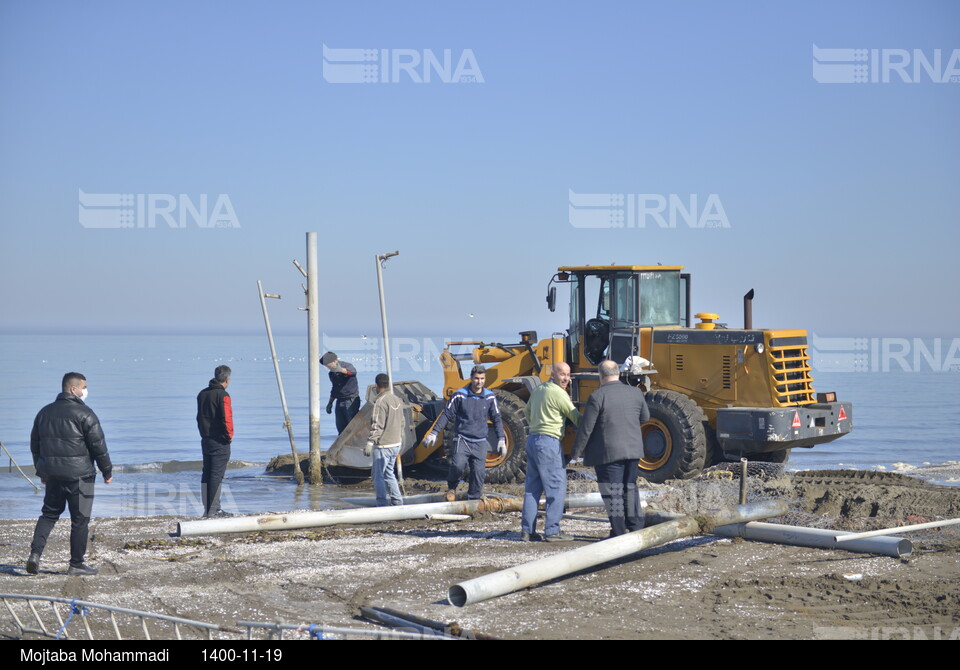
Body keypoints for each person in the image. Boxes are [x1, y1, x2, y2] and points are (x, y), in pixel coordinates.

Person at [27, 372, 113, 576]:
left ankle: (35, 555)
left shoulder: (44, 413)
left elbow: (35, 445)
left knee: (48, 515)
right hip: (80, 476)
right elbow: (98, 446)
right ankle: (76, 564)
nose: (85, 391)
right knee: (80, 520)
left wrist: (41, 470)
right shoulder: (85, 413)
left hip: (54, 475)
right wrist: (107, 471)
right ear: (73, 389)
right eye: (84, 387)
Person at [572, 359, 650, 537]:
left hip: (608, 453)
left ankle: (619, 532)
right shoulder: (635, 393)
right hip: (633, 450)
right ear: (619, 373)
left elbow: (587, 427)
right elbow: (645, 417)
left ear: (600, 376)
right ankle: (636, 527)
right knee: (630, 487)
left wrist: (576, 452)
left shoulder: (597, 396)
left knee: (612, 492)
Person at [423, 365, 505, 502]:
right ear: (471, 378)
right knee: (457, 466)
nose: (479, 382)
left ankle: (473, 501)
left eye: (482, 378)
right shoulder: (460, 395)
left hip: (480, 442)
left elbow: (497, 418)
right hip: (463, 440)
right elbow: (446, 414)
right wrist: (434, 432)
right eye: (477, 378)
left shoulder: (490, 397)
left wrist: (501, 439)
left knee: (478, 474)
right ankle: (452, 487)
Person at [520, 361, 581, 542]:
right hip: (549, 442)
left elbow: (527, 411)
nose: (566, 379)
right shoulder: (559, 393)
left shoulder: (539, 390)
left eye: (568, 375)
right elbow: (576, 417)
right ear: (553, 374)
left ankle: (527, 531)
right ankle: (552, 531)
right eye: (562, 374)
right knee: (556, 487)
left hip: (532, 439)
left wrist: (538, 423)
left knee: (532, 488)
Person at [197, 365, 234, 518]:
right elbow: (227, 418)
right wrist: (229, 436)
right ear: (227, 380)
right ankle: (214, 510)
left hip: (206, 439)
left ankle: (208, 509)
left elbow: (199, 417)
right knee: (216, 475)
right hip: (219, 440)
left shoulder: (202, 394)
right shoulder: (223, 395)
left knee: (207, 473)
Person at [365, 373, 405, 507]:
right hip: (396, 444)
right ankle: (397, 502)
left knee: (378, 476)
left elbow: (377, 425)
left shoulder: (380, 401)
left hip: (383, 446)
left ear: (377, 386)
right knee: (389, 473)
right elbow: (402, 422)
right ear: (388, 384)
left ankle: (381, 504)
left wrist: (370, 442)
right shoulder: (397, 399)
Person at [321, 352, 359, 434]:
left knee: (352, 428)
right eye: (326, 366)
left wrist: (340, 370)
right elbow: (335, 389)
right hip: (339, 401)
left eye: (328, 365)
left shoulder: (347, 366)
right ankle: (342, 445)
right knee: (341, 428)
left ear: (335, 361)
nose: (328, 367)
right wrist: (330, 403)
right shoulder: (331, 373)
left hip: (351, 400)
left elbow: (352, 372)